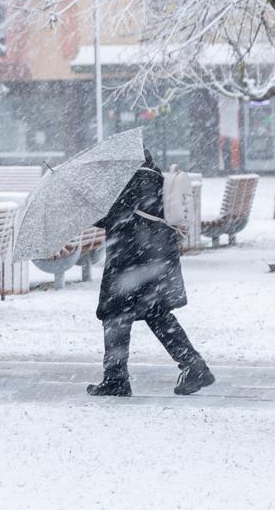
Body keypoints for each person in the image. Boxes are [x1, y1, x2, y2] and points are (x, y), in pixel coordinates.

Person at [86, 149, 215, 397]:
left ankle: (116, 379)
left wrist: (91, 208)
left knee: (116, 315)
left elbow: (114, 217)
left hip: (132, 261)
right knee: (155, 314)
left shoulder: (133, 182)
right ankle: (193, 365)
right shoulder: (153, 177)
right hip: (152, 258)